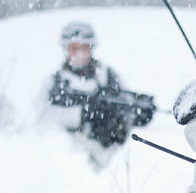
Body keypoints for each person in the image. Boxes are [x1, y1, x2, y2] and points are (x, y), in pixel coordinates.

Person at [39, 21, 153, 166]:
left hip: (111, 153)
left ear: (91, 48)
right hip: (70, 155)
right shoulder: (55, 82)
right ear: (66, 49)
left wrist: (137, 112)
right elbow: (44, 118)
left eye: (84, 48)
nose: (79, 54)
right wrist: (82, 113)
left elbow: (124, 102)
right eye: (74, 48)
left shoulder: (107, 75)